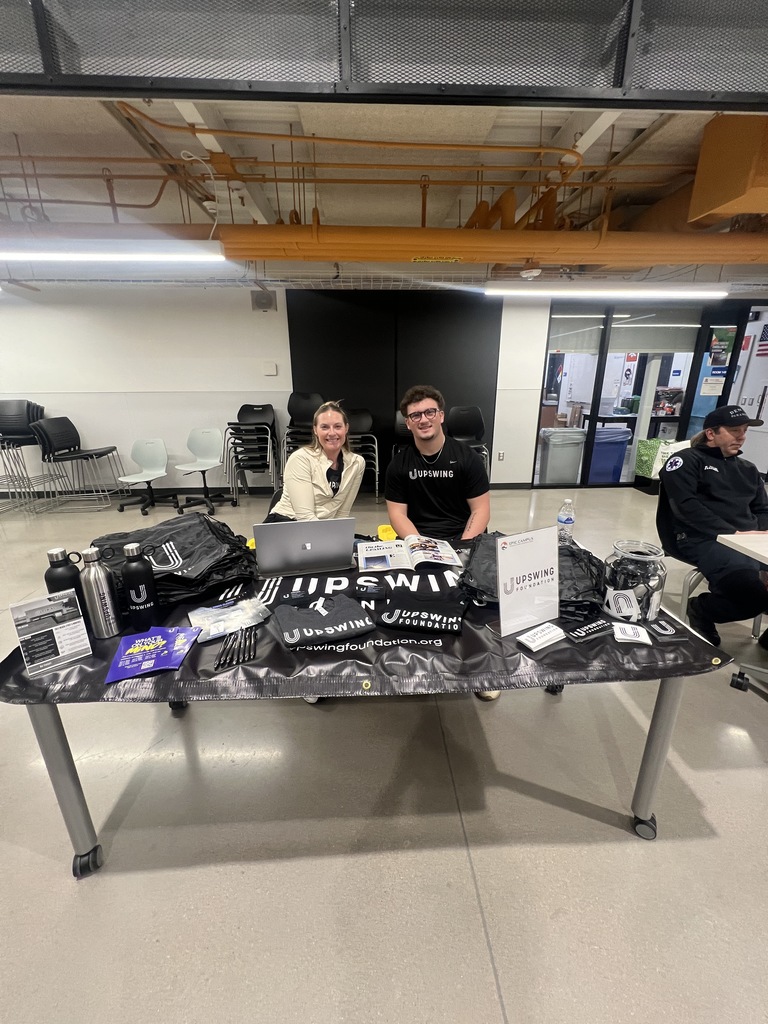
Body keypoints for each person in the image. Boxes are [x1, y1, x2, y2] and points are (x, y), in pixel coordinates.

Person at [656, 404, 768, 647]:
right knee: (752, 596)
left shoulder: (748, 470)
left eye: (745, 430)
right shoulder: (686, 461)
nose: (742, 436)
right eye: (734, 430)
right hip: (702, 537)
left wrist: (761, 541)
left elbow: (762, 509)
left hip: (748, 540)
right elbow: (685, 506)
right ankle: (702, 609)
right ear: (711, 433)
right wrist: (733, 534)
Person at [385, 385, 491, 543]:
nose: (424, 420)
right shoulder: (398, 465)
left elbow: (481, 509)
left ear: (441, 416)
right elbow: (397, 515)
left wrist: (463, 546)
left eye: (430, 412)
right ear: (407, 423)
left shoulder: (468, 458)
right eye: (415, 415)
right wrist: (420, 546)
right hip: (418, 538)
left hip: (461, 537)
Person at [265, 401, 365, 522]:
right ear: (315, 430)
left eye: (338, 426)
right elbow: (305, 517)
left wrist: (338, 537)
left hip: (320, 528)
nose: (332, 433)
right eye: (324, 427)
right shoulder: (301, 459)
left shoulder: (357, 463)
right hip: (286, 524)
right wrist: (327, 539)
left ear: (346, 428)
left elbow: (342, 515)